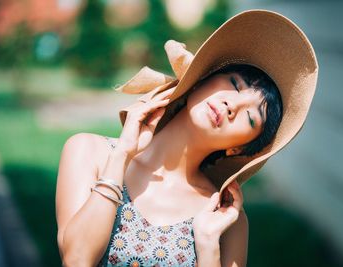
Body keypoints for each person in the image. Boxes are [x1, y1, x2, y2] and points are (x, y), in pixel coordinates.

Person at [56, 10, 319, 267]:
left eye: (251, 118)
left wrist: (207, 244)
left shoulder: (227, 218)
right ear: (200, 80)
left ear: (240, 148)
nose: (232, 105)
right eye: (235, 84)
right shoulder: (90, 151)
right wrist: (122, 156)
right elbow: (77, 259)